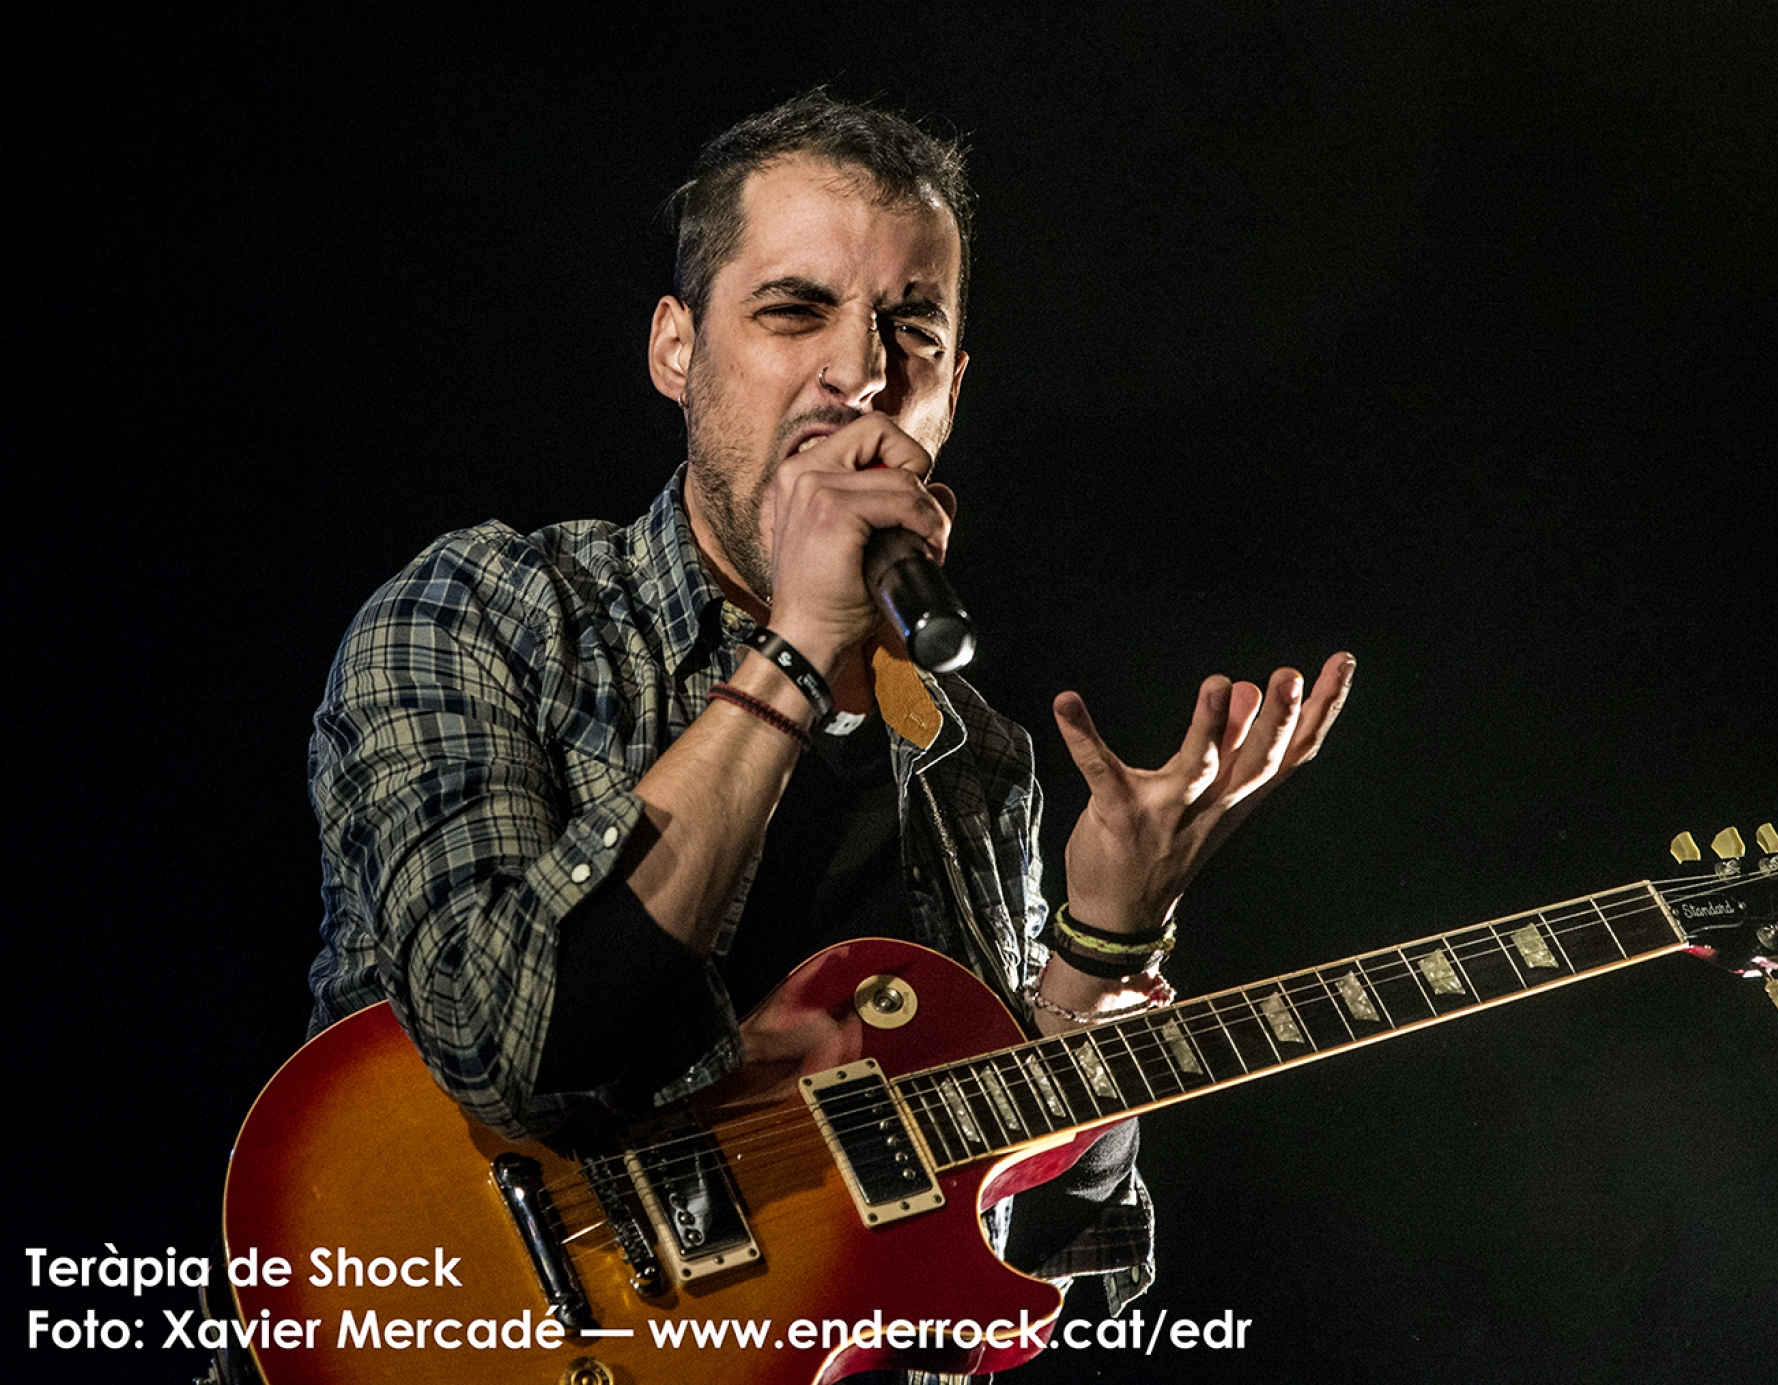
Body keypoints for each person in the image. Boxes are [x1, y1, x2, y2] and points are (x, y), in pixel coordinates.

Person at [303, 90, 1352, 1371]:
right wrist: (795, 649)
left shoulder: (977, 763)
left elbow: (1034, 1237)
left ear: (950, 392)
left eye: (912, 330)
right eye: (794, 309)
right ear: (676, 348)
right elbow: (509, 1045)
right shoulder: (486, 613)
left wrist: (1103, 943)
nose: (859, 372)